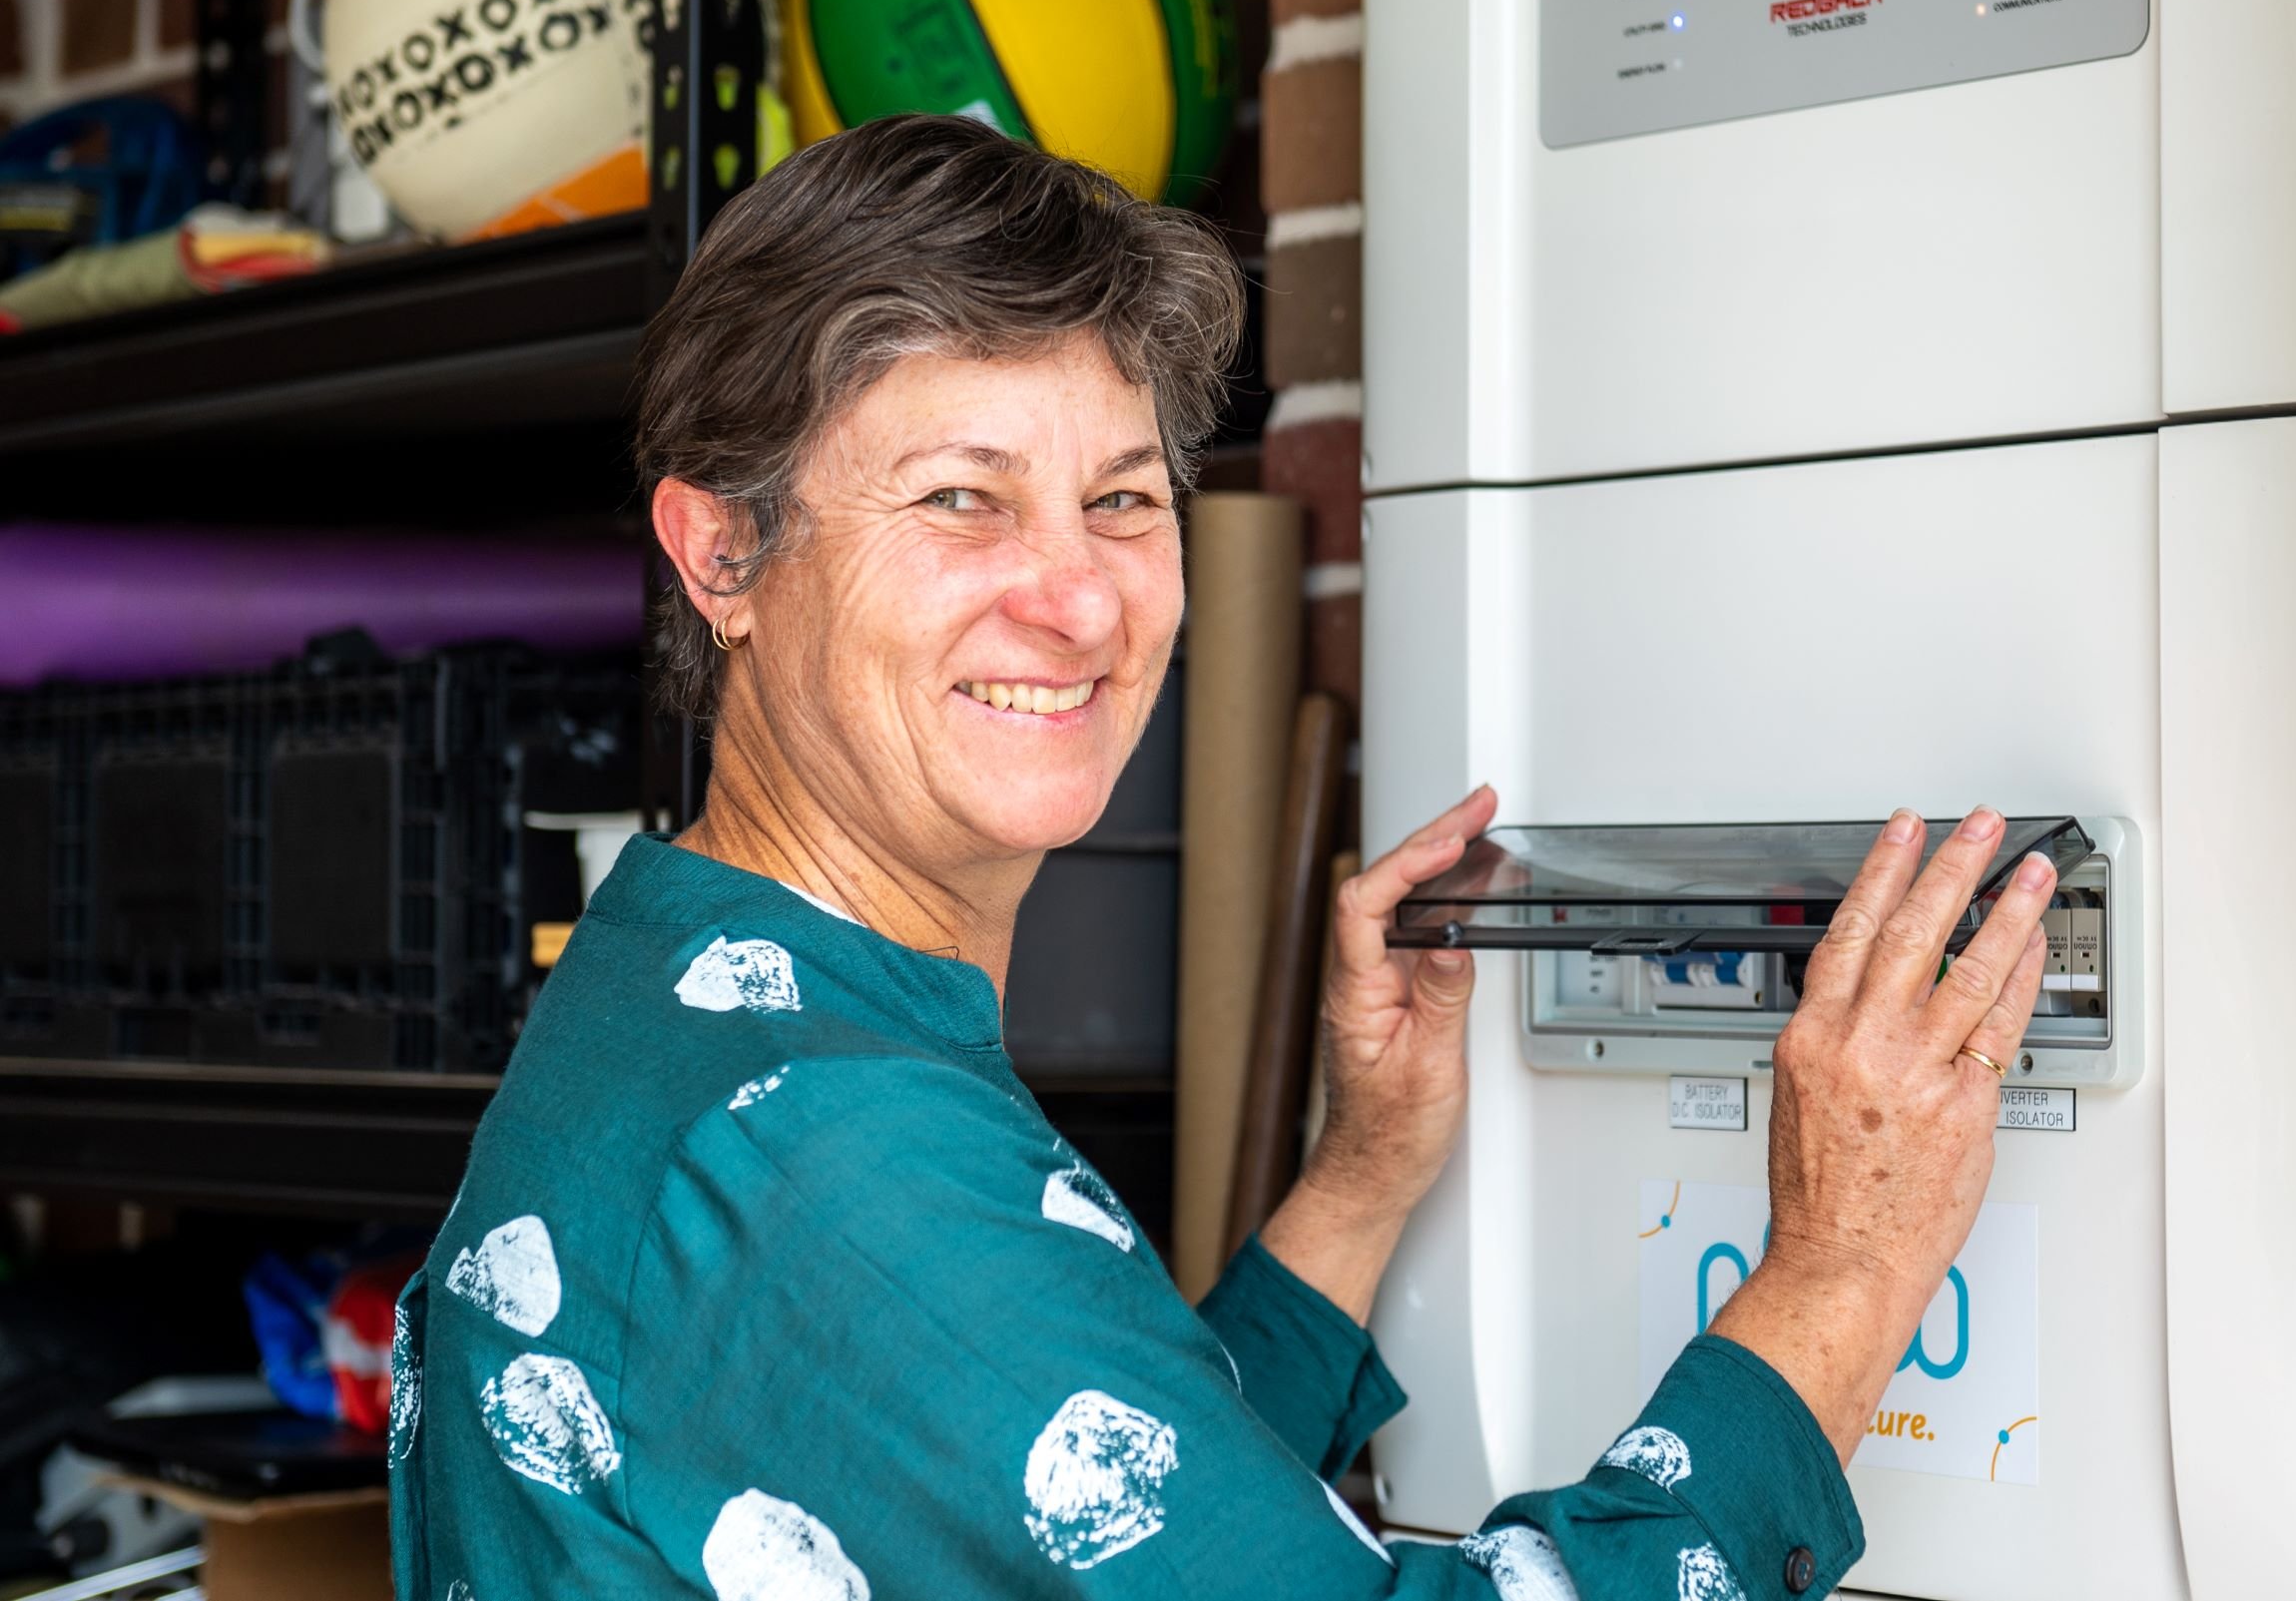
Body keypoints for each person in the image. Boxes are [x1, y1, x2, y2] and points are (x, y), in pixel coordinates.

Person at [388, 113, 2054, 1601]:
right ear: (723, 549)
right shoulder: (827, 1158)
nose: (1080, 597)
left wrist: (1363, 1170)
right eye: (965, 500)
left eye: (1123, 498)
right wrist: (1845, 1265)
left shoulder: (682, 987)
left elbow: (1083, 1499)